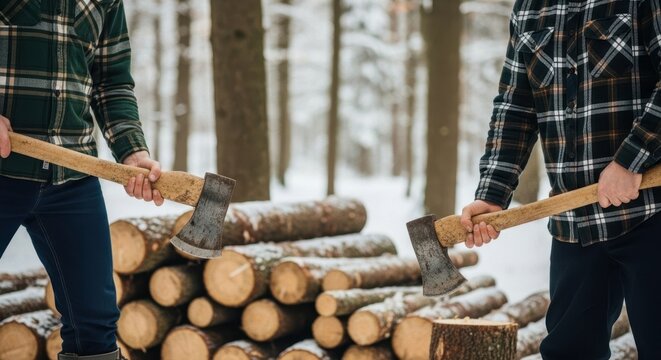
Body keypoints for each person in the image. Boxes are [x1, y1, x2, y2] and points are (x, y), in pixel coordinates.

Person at [461, 0, 660, 359]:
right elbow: (515, 107)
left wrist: (631, 159)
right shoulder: (530, 9)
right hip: (575, 226)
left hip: (651, 213)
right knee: (569, 352)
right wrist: (493, 191)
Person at [0, 1, 161, 359]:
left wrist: (133, 152)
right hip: (3, 167)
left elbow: (112, 82)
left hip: (73, 177)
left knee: (95, 322)